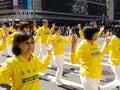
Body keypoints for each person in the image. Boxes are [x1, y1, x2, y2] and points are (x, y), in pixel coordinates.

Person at [70, 25, 109, 90]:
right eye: (95, 35)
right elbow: (73, 61)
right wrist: (72, 47)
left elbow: (99, 55)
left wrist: (106, 44)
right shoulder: (82, 46)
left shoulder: (95, 44)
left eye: (97, 35)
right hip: (87, 76)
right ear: (89, 35)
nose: (97, 37)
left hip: (97, 74)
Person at [99, 24, 120, 90]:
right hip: (115, 62)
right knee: (118, 80)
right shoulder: (113, 39)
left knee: (118, 79)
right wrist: (106, 42)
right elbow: (107, 49)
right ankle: (102, 88)